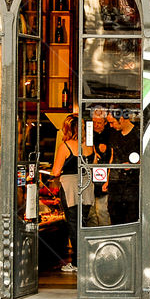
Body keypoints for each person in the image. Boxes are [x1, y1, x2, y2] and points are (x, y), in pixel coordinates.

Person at [51, 115, 94, 272]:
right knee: (84, 223)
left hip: (71, 187)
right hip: (87, 187)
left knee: (73, 225)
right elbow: (93, 165)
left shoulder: (65, 146)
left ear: (67, 128)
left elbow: (56, 171)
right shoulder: (89, 146)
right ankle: (86, 259)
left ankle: (77, 262)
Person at [106, 108, 141, 225]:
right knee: (114, 219)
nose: (110, 126)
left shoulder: (138, 134)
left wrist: (134, 164)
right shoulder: (113, 134)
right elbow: (112, 156)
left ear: (121, 119)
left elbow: (148, 157)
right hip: (115, 185)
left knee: (131, 220)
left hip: (132, 186)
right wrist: (107, 179)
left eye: (112, 122)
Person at [85, 106, 111, 227]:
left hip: (104, 177)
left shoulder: (111, 135)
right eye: (94, 122)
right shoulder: (88, 134)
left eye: (99, 122)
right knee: (91, 212)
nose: (96, 125)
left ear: (105, 122)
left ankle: (105, 236)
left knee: (102, 210)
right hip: (89, 176)